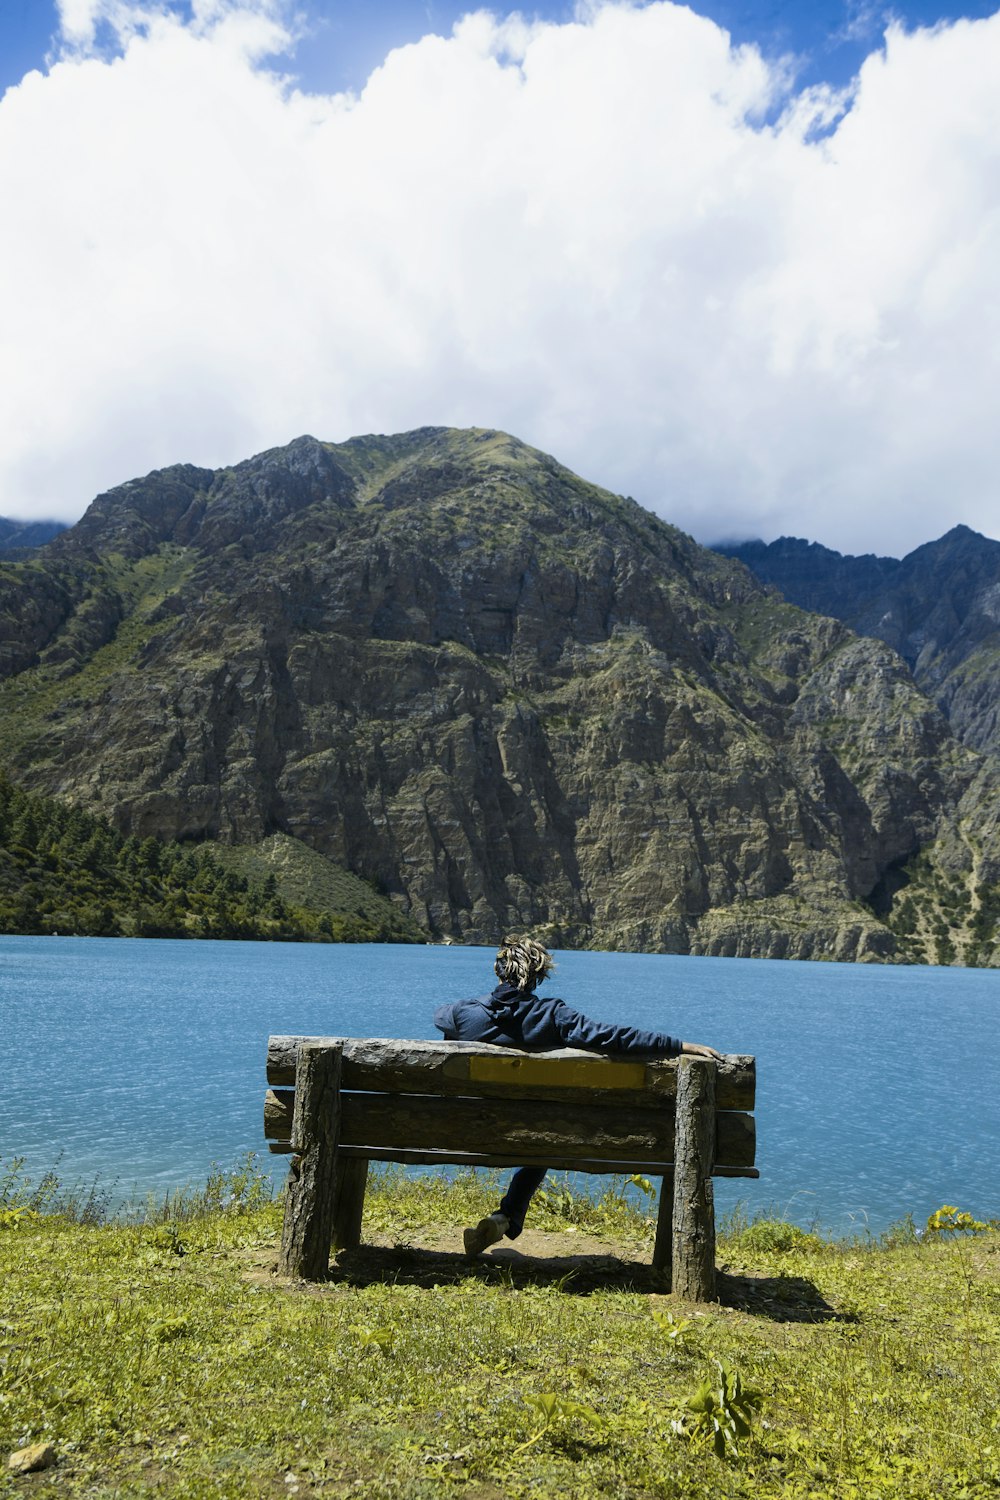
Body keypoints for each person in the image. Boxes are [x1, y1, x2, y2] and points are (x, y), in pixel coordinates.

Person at [434, 935, 723, 1257]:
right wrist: (677, 1045)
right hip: (535, 1133)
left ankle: (505, 1218)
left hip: (464, 1129)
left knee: (534, 1134)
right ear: (539, 975)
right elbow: (612, 1037)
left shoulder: (463, 1013)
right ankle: (505, 1217)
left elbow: (444, 1024)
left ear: (498, 970)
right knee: (541, 1136)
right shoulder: (554, 1016)